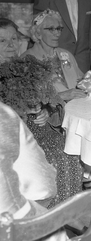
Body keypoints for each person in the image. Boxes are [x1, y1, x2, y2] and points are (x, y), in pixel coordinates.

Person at [19, 9, 85, 208]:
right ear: (37, 33)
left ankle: (73, 210)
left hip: (74, 115)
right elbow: (28, 101)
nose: (57, 33)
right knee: (66, 156)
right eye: (51, 29)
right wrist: (62, 96)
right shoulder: (27, 60)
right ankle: (58, 213)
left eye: (59, 28)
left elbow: (81, 80)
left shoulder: (65, 54)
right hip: (44, 120)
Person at [0, 101, 68, 241]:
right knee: (57, 160)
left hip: (31, 128)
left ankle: (64, 214)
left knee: (67, 155)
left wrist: (46, 111)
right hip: (20, 208)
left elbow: (50, 104)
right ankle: (56, 215)